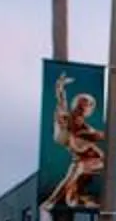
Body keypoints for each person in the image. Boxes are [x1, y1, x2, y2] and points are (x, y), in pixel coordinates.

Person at [41, 77, 107, 210]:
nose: (80, 112)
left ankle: (53, 201)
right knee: (71, 198)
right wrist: (60, 86)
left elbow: (100, 140)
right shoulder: (67, 119)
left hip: (96, 162)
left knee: (77, 170)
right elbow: (61, 101)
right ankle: (65, 199)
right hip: (82, 161)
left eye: (85, 108)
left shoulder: (86, 130)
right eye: (80, 108)